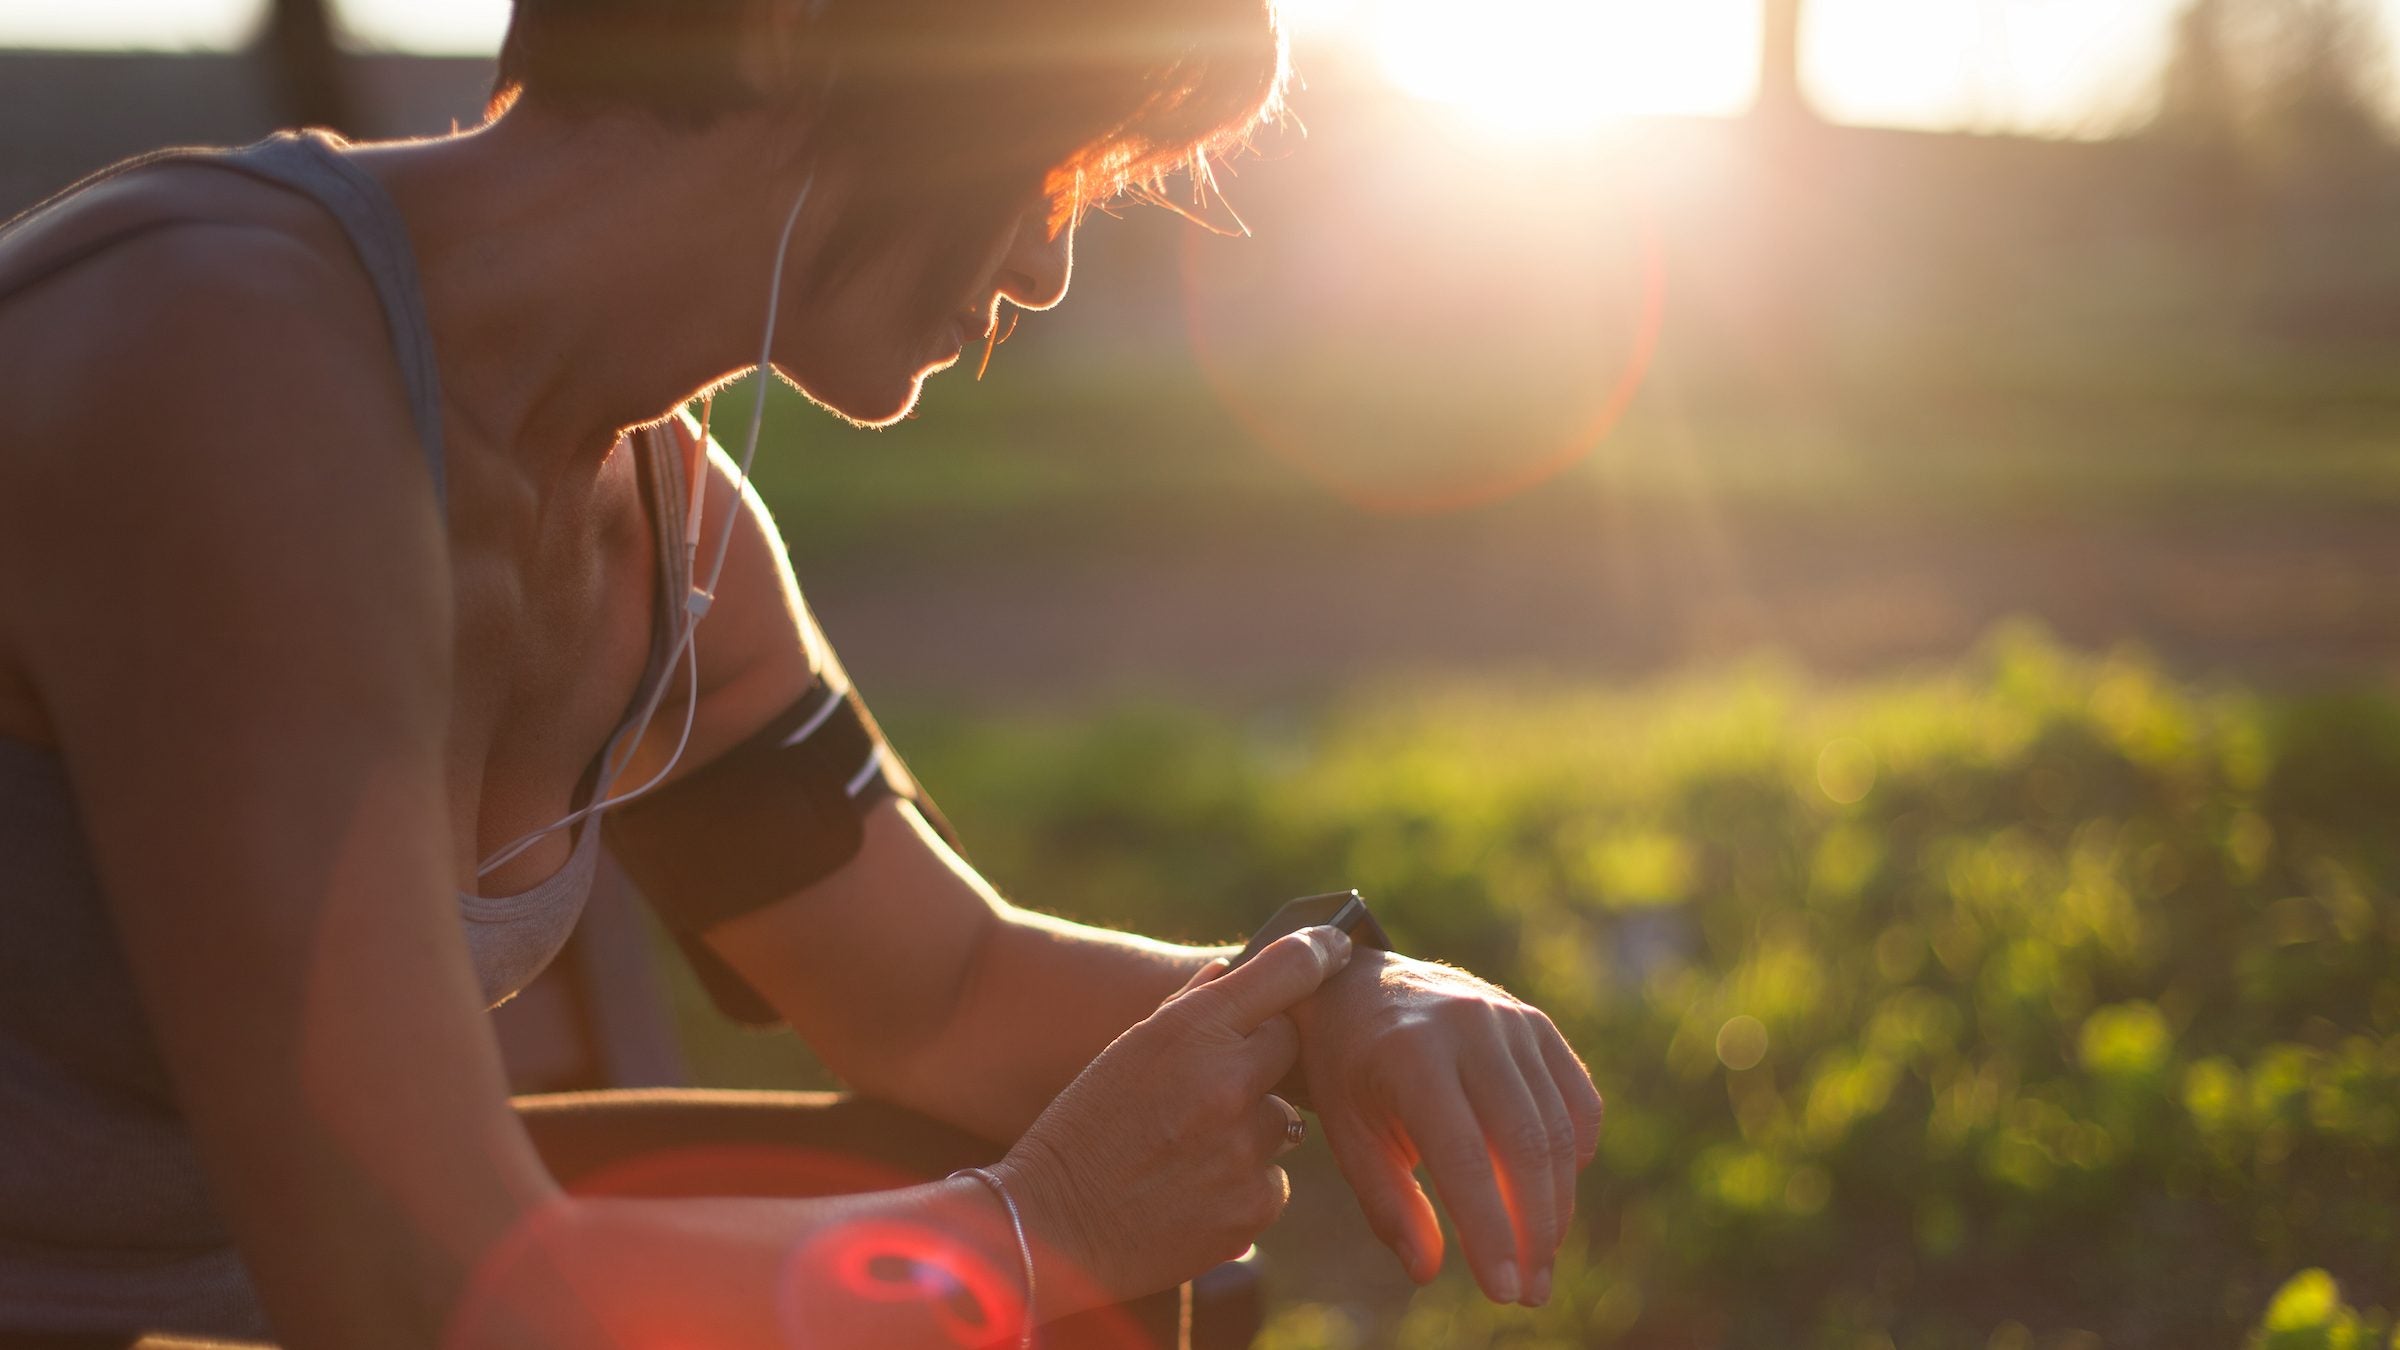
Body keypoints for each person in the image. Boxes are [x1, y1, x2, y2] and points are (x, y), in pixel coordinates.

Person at [0, 0, 1604, 1344]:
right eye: (1048, 164)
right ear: (797, 36)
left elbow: (945, 992)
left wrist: (1346, 994)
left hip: (194, 1291)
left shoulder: (662, 538)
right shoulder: (228, 361)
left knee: (1014, 1207)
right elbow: (410, 1288)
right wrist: (1028, 1234)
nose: (1044, 273)